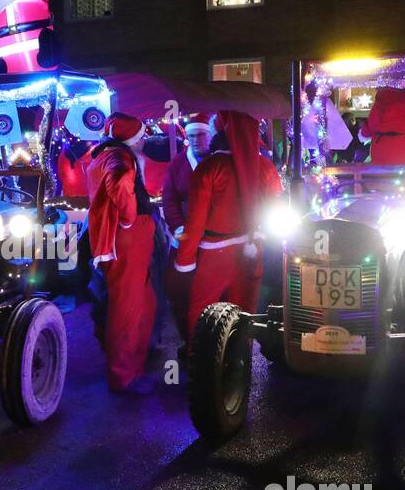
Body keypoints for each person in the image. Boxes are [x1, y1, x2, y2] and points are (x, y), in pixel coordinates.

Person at [174, 110, 284, 340]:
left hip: (215, 253)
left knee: (201, 310)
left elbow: (195, 221)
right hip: (251, 249)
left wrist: (184, 259)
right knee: (244, 310)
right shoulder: (265, 167)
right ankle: (238, 360)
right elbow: (275, 210)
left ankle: (200, 358)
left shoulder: (210, 167)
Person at [86, 113, 157, 393]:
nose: (144, 141)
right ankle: (124, 375)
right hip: (128, 237)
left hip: (129, 236)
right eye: (141, 136)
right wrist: (129, 219)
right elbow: (119, 183)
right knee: (128, 308)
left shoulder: (105, 153)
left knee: (143, 301)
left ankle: (133, 365)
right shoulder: (119, 156)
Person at [161, 115, 214, 340]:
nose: (195, 140)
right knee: (179, 287)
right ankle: (189, 338)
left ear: (210, 136)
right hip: (185, 234)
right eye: (191, 136)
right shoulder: (178, 163)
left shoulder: (217, 162)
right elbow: (169, 198)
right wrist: (178, 226)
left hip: (213, 236)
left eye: (200, 135)